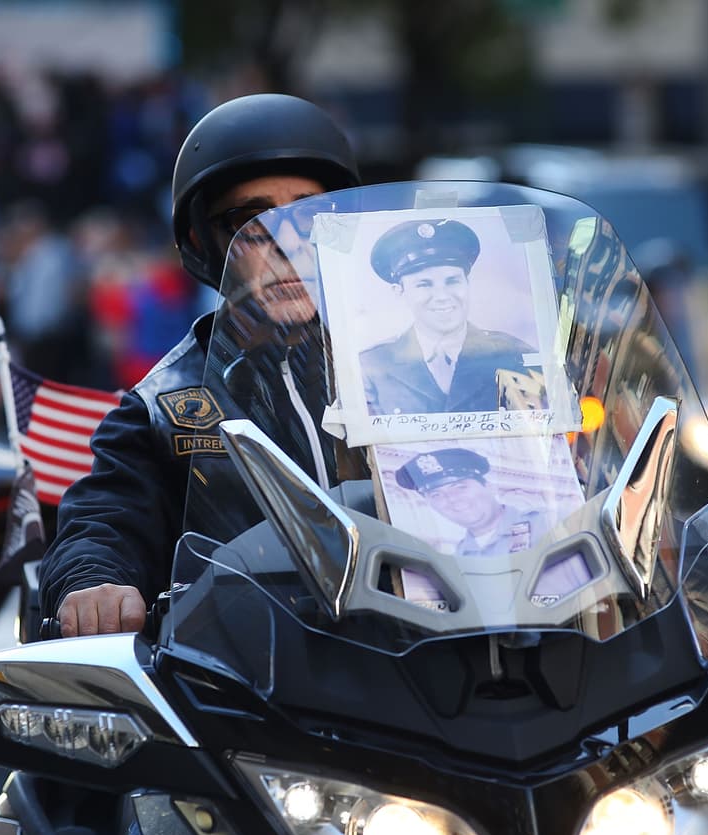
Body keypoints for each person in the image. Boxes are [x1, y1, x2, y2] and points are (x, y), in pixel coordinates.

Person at [38, 93, 360, 637]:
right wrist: (94, 579)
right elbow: (105, 520)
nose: (286, 245)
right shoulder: (163, 407)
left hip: (427, 663)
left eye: (308, 215)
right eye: (253, 221)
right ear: (202, 240)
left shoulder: (402, 369)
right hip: (257, 677)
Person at [360, 218, 534, 415]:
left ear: (467, 283)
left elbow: (542, 434)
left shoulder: (513, 354)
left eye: (452, 281)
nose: (442, 296)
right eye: (424, 284)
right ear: (399, 291)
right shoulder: (372, 365)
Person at [396, 447, 557, 558]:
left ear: (488, 486)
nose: (451, 499)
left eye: (460, 487)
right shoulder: (458, 558)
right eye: (436, 495)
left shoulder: (551, 523)